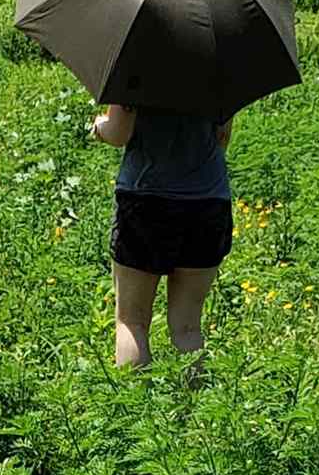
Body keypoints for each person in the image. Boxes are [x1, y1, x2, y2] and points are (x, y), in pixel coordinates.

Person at [90, 101, 233, 368]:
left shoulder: (134, 75)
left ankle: (134, 396)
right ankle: (193, 395)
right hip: (208, 202)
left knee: (132, 322)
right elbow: (222, 138)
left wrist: (99, 127)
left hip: (146, 199)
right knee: (188, 327)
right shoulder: (219, 77)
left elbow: (118, 133)